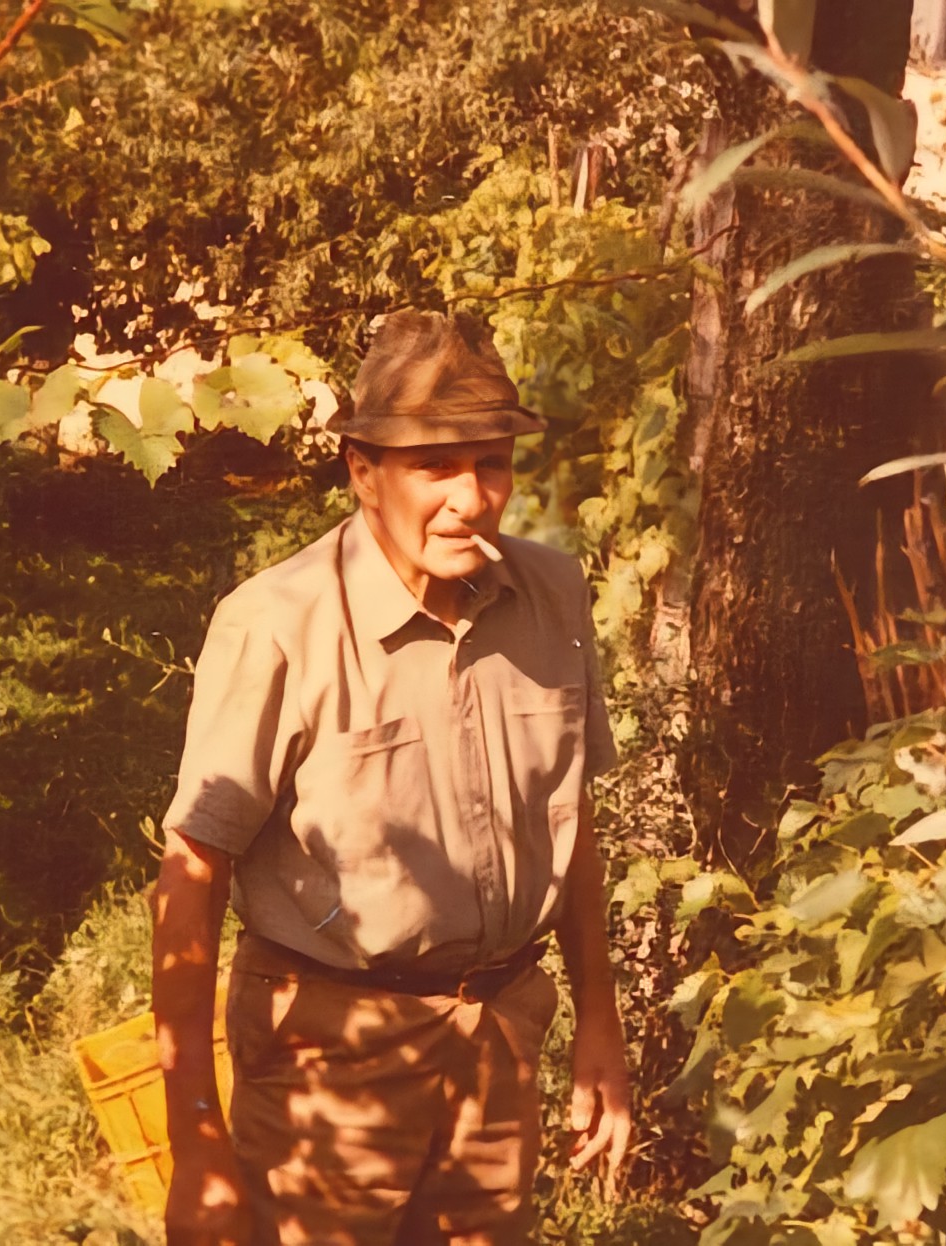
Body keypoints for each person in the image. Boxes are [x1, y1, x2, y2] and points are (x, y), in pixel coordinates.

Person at [152, 310, 631, 1246]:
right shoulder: (278, 623)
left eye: (491, 463)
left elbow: (569, 824)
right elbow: (193, 872)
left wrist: (600, 1030)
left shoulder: (552, 595)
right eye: (434, 467)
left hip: (498, 1042)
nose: (471, 498)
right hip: (328, 1068)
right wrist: (197, 1142)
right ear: (363, 471)